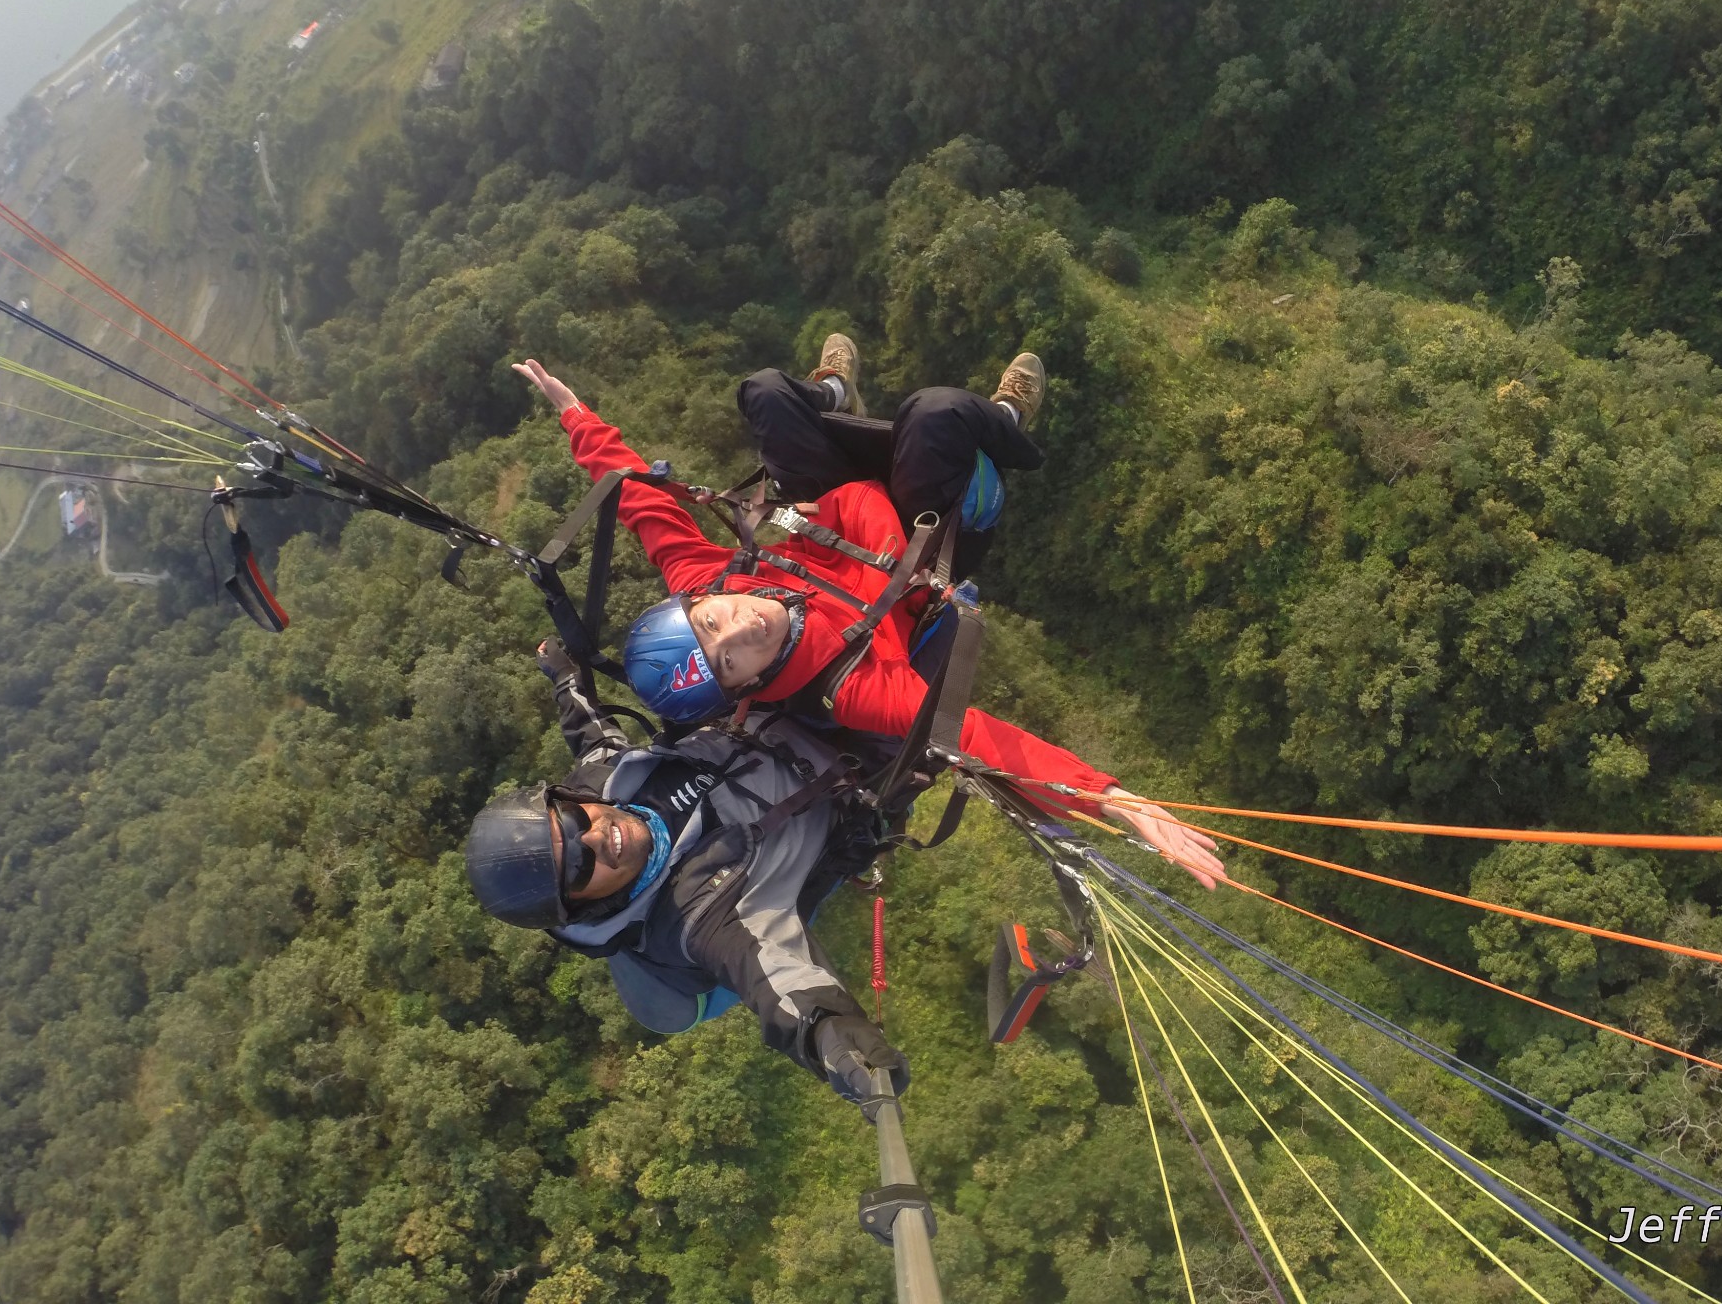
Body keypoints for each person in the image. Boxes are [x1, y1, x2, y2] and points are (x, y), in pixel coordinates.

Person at [511, 337, 1226, 890]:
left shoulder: (708, 574)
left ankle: (830, 390)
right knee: (941, 410)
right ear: (745, 689)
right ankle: (1007, 419)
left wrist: (574, 413)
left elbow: (637, 499)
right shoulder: (850, 685)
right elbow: (976, 739)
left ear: (696, 601)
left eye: (712, 621)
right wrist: (1112, 800)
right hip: (911, 539)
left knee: (762, 391)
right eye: (732, 659)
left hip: (829, 501)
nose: (740, 626)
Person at [466, 638, 910, 1113]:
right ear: (582, 905)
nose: (594, 839)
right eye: (577, 867)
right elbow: (773, 980)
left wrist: (562, 676)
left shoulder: (603, 785)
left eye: (573, 824)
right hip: (863, 767)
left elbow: (591, 736)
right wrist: (833, 1038)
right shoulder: (696, 920)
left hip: (785, 709)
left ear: (568, 800)